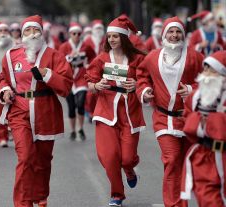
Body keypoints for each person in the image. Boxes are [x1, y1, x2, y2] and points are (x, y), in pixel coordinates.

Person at [0, 15, 72, 207]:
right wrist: (5, 91)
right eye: (28, 31)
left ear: (41, 33)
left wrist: (49, 75)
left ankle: (40, 197)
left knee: (43, 160)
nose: (32, 34)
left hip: (45, 111)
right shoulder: (11, 56)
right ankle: (22, 203)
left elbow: (65, 87)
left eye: (35, 30)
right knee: (25, 157)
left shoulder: (54, 56)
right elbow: (3, 78)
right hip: (19, 110)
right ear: (22, 35)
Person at [136, 16, 204, 207]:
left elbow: (208, 81)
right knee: (172, 160)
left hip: (188, 119)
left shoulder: (195, 57)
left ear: (183, 35)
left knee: (184, 163)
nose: (174, 36)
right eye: (171, 32)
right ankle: (172, 204)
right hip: (163, 118)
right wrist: (145, 91)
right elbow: (142, 77)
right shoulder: (152, 57)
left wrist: (191, 90)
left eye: (178, 32)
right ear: (164, 34)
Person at [85, 15, 146, 206]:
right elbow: (90, 81)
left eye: (116, 36)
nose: (111, 39)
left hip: (129, 112)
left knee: (127, 159)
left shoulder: (137, 59)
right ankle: (117, 194)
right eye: (109, 36)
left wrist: (136, 84)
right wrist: (97, 85)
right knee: (108, 156)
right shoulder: (101, 59)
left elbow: (146, 80)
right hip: (106, 112)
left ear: (124, 38)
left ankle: (129, 169)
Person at [180, 50, 226, 207]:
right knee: (208, 200)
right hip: (204, 157)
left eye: (211, 70)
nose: (205, 74)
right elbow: (187, 122)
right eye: (204, 69)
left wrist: (214, 120)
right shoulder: (195, 97)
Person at [59, 22, 95, 141]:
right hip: (68, 77)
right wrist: (69, 57)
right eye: (74, 33)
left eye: (79, 33)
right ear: (70, 34)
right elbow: (59, 62)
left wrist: (89, 65)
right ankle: (73, 130)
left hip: (81, 76)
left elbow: (93, 58)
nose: (76, 35)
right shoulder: (64, 46)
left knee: (80, 103)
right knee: (71, 106)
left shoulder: (85, 46)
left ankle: (80, 128)